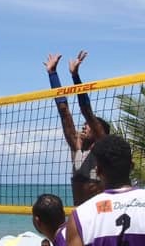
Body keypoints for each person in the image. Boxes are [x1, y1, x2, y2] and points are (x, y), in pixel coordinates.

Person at [44, 51, 110, 206]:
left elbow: (86, 111)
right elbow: (64, 111)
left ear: (100, 131)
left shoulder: (104, 147)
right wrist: (52, 74)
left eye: (88, 126)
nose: (84, 126)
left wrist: (75, 76)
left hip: (102, 212)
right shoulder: (77, 149)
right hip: (80, 212)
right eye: (84, 125)